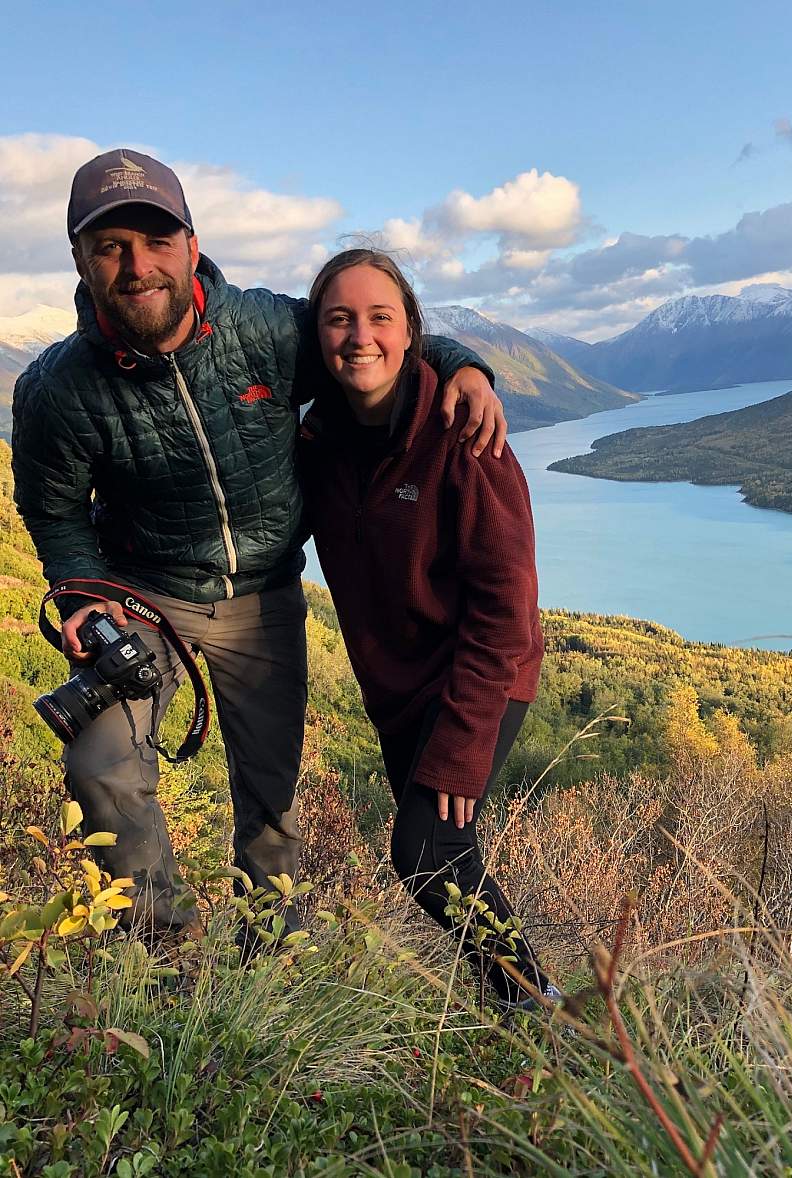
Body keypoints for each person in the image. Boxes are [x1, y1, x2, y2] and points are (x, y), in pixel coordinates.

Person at [12, 149, 505, 941]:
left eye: (156, 241)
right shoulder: (58, 389)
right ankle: (159, 959)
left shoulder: (268, 329)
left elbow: (374, 340)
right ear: (79, 259)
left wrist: (466, 366)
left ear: (192, 244)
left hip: (265, 596)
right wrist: (80, 588)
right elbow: (54, 509)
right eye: (110, 247)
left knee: (271, 796)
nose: (138, 266)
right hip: (144, 594)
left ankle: (267, 948)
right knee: (100, 764)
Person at [298, 249, 555, 1007]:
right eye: (338, 319)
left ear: (413, 331)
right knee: (448, 857)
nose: (359, 335)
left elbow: (508, 612)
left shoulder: (462, 432)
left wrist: (460, 746)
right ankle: (531, 1008)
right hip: (400, 689)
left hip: (479, 677)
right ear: (316, 337)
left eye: (381, 317)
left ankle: (537, 1010)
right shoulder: (319, 443)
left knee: (427, 855)